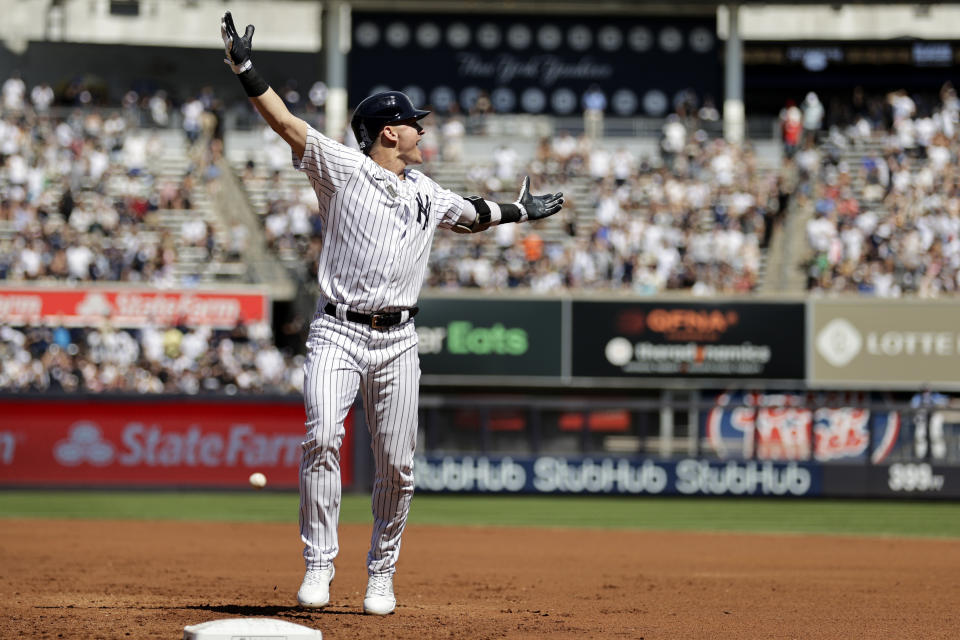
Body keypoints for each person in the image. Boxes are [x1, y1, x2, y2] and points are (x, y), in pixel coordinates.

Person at [219, 12, 563, 616]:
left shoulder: (427, 190)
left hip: (399, 340)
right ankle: (320, 567)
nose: (421, 133)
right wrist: (247, 69)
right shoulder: (343, 170)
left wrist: (520, 210)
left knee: (398, 465)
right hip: (337, 330)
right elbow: (285, 124)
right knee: (322, 435)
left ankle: (381, 574)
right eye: (412, 125)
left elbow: (476, 213)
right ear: (385, 133)